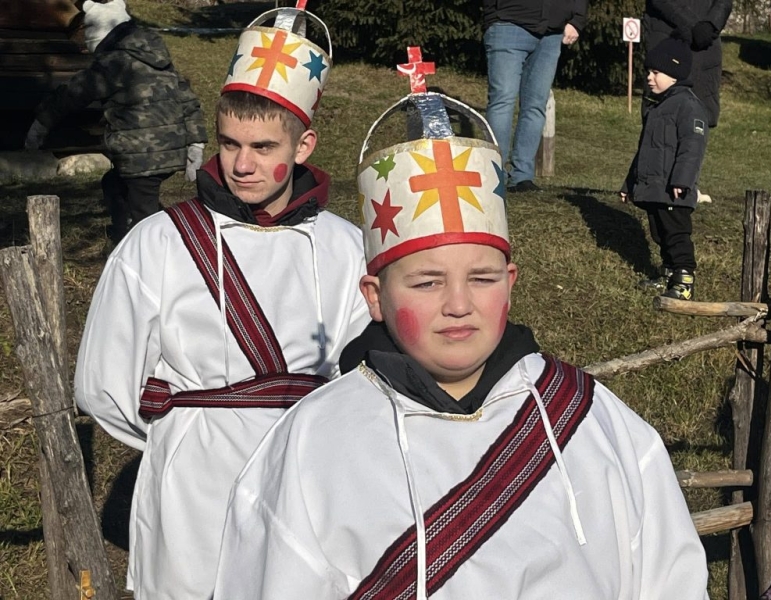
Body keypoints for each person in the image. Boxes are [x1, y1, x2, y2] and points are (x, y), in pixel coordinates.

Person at [213, 49, 710, 599]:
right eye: (425, 282)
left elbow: (670, 578)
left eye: (482, 278)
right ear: (374, 297)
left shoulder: (598, 424)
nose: (458, 304)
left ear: (512, 280)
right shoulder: (312, 443)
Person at [74, 5, 370, 599]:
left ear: (304, 143)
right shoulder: (156, 242)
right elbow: (102, 386)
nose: (241, 164)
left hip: (307, 478)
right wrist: (184, 432)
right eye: (230, 143)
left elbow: (361, 378)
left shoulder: (346, 248)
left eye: (263, 147)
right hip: (193, 489)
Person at [24, 0, 208, 244]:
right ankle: (126, 236)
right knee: (114, 185)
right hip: (168, 150)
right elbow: (187, 97)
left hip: (142, 154)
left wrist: (41, 124)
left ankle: (152, 254)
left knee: (145, 213)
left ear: (99, 35)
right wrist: (196, 142)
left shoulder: (112, 64)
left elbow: (73, 94)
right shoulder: (156, 57)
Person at [622, 36, 708, 301]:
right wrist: (629, 185)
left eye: (656, 72)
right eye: (648, 71)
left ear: (675, 74)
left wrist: (682, 180)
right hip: (655, 190)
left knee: (676, 235)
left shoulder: (688, 106)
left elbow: (692, 148)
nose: (649, 77)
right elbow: (645, 152)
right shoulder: (656, 107)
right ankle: (668, 274)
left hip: (674, 190)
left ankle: (684, 280)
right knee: (660, 234)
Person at [483, 0, 586, 193]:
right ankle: (495, 174)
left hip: (551, 31)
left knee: (536, 105)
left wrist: (577, 19)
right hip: (508, 22)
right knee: (502, 101)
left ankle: (522, 176)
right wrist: (494, 14)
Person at [644, 0, 732, 204]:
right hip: (668, 33)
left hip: (705, 43)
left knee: (696, 117)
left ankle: (689, 184)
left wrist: (711, 25)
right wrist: (693, 25)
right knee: (661, 114)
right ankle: (654, 182)